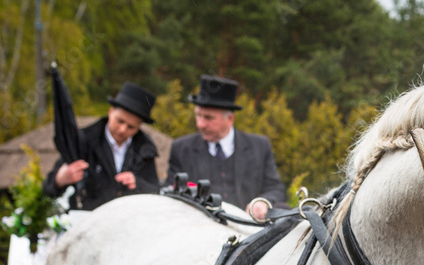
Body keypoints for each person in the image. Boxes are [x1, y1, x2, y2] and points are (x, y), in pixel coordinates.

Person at [166, 75, 287, 219]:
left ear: (230, 119)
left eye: (208, 118)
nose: (200, 124)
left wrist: (262, 202)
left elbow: (276, 188)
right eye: (198, 115)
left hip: (251, 230)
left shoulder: (259, 147)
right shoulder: (181, 149)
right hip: (200, 230)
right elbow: (169, 193)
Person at [43, 82, 160, 211]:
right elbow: (48, 188)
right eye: (120, 121)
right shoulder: (83, 141)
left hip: (127, 222)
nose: (122, 129)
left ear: (139, 127)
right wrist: (60, 179)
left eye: (131, 127)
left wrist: (137, 184)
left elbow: (155, 190)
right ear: (110, 112)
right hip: (87, 221)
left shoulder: (145, 149)